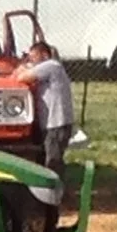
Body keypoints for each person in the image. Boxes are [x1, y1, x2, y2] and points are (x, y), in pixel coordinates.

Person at [21, 41, 76, 169]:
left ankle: (55, 181)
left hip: (56, 124)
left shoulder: (51, 66)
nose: (32, 61)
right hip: (51, 124)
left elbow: (22, 77)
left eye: (34, 57)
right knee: (45, 157)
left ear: (45, 55)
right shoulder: (52, 68)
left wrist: (23, 67)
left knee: (53, 161)